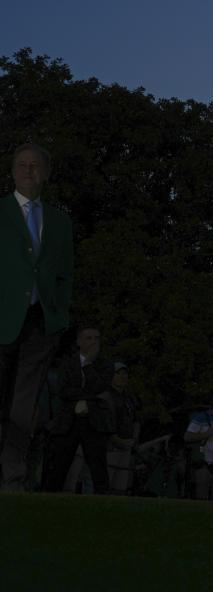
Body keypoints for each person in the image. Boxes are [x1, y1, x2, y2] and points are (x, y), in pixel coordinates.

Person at [0, 144, 74, 491]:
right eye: (21, 165)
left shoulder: (60, 222)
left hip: (41, 324)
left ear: (46, 173)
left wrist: (58, 314)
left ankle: (12, 476)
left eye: (35, 166)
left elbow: (64, 275)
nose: (28, 171)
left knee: (24, 404)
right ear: (12, 171)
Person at [43, 326, 115, 494]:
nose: (94, 342)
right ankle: (49, 498)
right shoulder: (68, 362)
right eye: (89, 338)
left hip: (94, 422)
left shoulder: (106, 363)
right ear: (79, 341)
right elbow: (62, 390)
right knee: (59, 464)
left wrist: (88, 366)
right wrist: (93, 396)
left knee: (98, 466)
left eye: (96, 338)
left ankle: (104, 502)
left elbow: (100, 386)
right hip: (68, 421)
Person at [104, 361, 141, 494]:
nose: (122, 376)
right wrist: (118, 440)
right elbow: (104, 424)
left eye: (125, 373)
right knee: (105, 484)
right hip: (110, 448)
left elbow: (136, 420)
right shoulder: (106, 396)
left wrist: (133, 440)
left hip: (127, 448)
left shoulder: (129, 397)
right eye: (118, 373)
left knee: (121, 487)